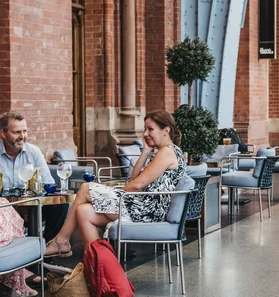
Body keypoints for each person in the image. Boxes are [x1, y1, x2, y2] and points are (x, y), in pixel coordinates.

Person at [44, 110, 187, 256]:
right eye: (145, 129)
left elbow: (137, 185)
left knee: (86, 188)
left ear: (166, 130)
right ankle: (101, 266)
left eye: (150, 129)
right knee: (83, 211)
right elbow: (134, 179)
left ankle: (60, 242)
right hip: (140, 206)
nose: (145, 133)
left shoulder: (167, 152)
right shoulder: (163, 152)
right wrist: (145, 151)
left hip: (146, 211)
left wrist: (116, 193)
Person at [0, 111, 68, 251]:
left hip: (32, 208)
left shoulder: (34, 152)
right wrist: (16, 205)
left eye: (25, 131)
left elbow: (48, 184)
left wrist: (28, 203)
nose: (22, 136)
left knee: (61, 206)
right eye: (17, 132)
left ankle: (45, 250)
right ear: (3, 133)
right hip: (3, 211)